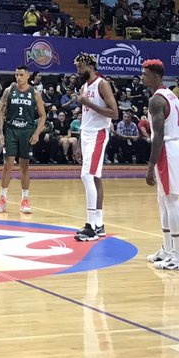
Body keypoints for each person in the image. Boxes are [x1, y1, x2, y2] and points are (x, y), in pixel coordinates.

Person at [142, 60, 179, 271]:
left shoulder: (156, 100)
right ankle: (167, 248)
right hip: (174, 146)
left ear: (155, 76)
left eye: (145, 75)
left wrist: (150, 165)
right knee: (163, 201)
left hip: (168, 149)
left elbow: (159, 134)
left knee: (171, 201)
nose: (142, 78)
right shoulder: (170, 94)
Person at [72, 55, 118, 241]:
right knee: (95, 177)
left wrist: (89, 103)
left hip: (98, 133)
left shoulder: (102, 84)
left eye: (80, 67)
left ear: (90, 66)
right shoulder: (84, 87)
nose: (77, 71)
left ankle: (90, 226)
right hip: (87, 134)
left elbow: (114, 113)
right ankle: (99, 224)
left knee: (87, 175)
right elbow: (85, 117)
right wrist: (79, 143)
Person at [0, 66, 46, 214]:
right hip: (11, 130)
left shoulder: (35, 93)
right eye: (16, 75)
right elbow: (0, 112)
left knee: (24, 166)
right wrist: (0, 133)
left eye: (21, 75)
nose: (18, 77)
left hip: (27, 131)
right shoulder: (9, 91)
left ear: (28, 76)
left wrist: (36, 133)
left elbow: (43, 115)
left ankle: (25, 200)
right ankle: (2, 199)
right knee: (8, 164)